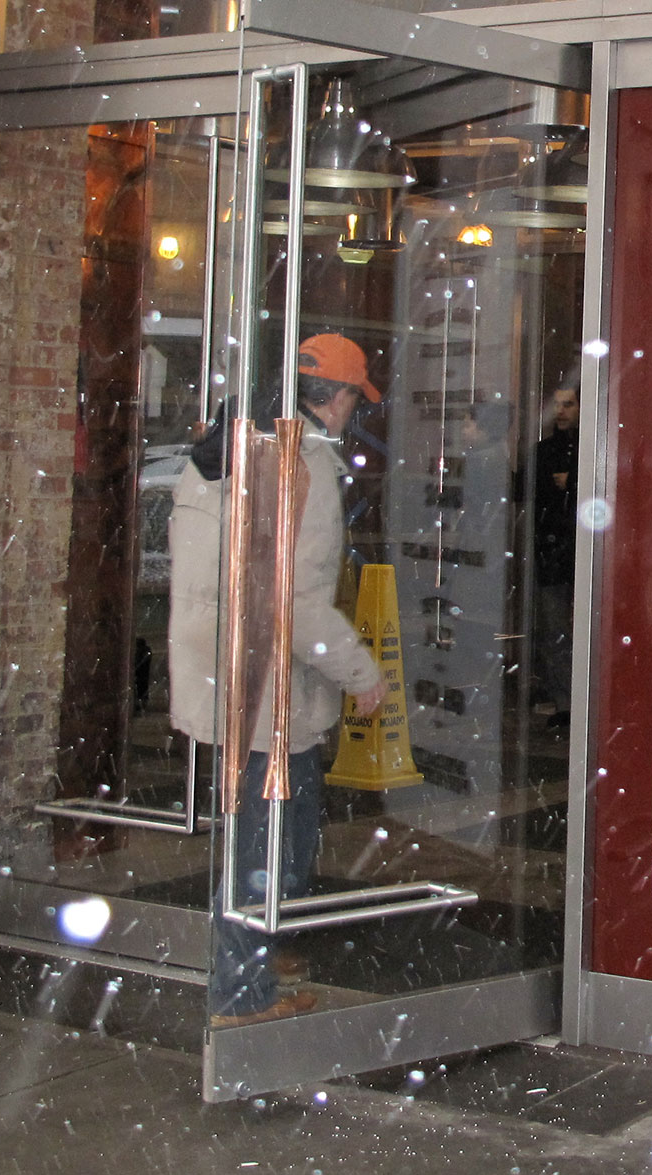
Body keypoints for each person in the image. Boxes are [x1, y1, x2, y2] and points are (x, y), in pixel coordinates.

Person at [168, 333, 389, 1027]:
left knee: (264, 830)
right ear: (340, 398)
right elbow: (298, 600)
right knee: (268, 844)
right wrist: (362, 673)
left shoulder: (226, 446)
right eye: (355, 397)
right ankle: (243, 993)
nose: (354, 412)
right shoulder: (305, 463)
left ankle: (266, 954)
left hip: (223, 669)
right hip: (270, 683)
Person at [529, 386, 580, 725]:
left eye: (568, 405)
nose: (561, 411)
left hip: (578, 550)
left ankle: (573, 699)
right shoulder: (544, 451)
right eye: (557, 404)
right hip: (553, 552)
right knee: (554, 629)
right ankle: (564, 701)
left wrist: (573, 482)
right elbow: (531, 491)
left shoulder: (589, 448)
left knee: (568, 628)